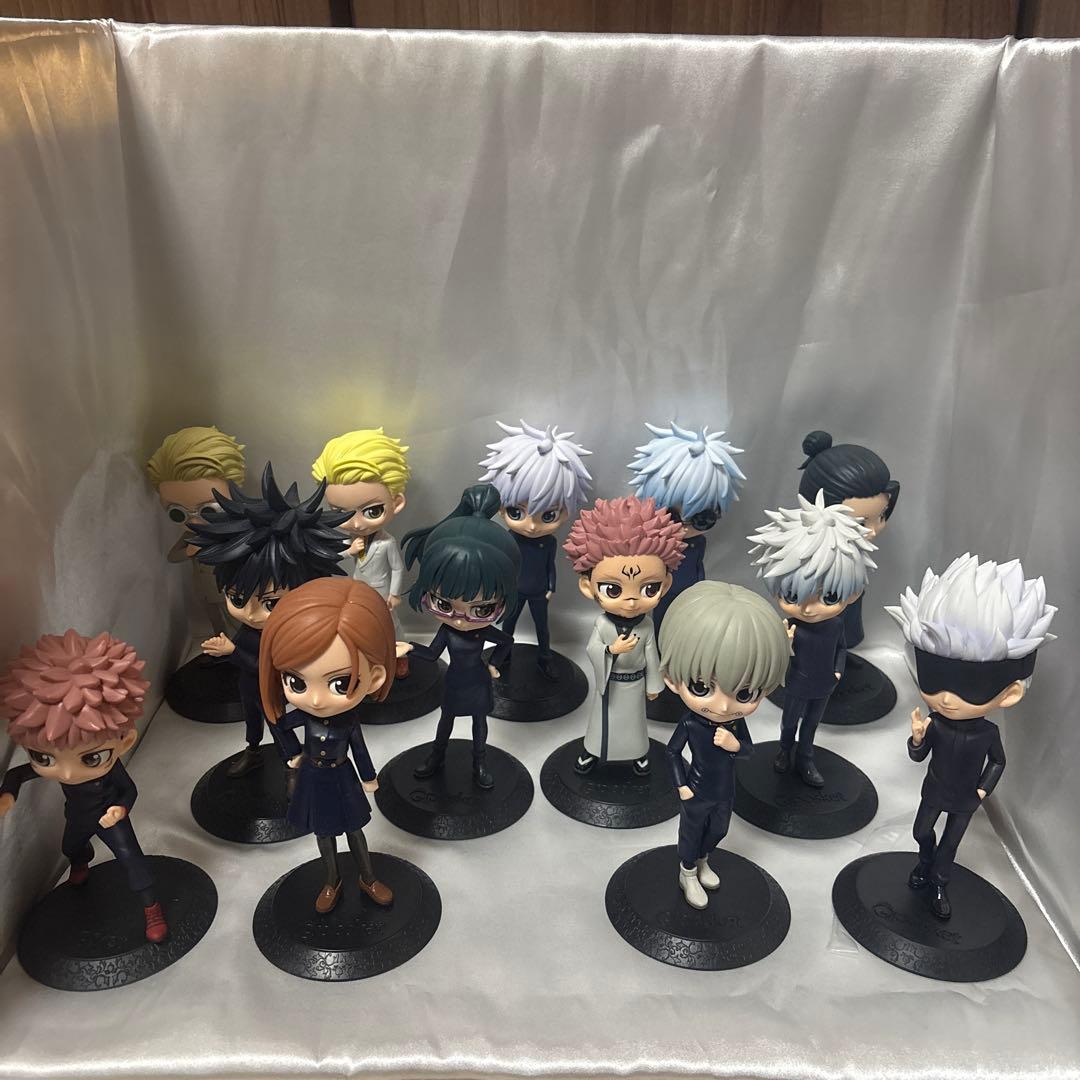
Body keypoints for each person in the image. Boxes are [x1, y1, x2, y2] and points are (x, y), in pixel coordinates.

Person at [885, 554, 1055, 919]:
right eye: (934, 678)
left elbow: (998, 762)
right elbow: (918, 756)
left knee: (951, 844)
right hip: (934, 790)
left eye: (969, 687)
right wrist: (918, 739)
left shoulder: (987, 732)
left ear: (1009, 693)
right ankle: (924, 861)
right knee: (922, 831)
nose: (947, 698)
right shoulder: (936, 723)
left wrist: (981, 790)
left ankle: (939, 883)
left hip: (965, 798)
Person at [0, 630, 167, 942]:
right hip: (77, 815)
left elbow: (129, 790)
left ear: (125, 742)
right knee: (70, 847)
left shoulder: (111, 767)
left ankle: (151, 908)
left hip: (108, 816)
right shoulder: (60, 765)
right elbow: (17, 775)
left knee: (131, 858)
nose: (66, 773)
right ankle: (80, 863)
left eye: (90, 758)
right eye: (44, 757)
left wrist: (120, 810)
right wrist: (8, 795)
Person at [259, 577, 398, 915]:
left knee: (354, 830)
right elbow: (278, 722)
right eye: (297, 682)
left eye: (339, 682)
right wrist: (292, 752)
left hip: (341, 777)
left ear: (375, 678)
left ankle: (367, 877)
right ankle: (331, 880)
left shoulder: (348, 721)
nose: (317, 700)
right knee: (323, 834)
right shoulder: (304, 717)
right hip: (313, 778)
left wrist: (369, 776)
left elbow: (359, 749)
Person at [660, 582, 790, 908]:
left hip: (725, 791)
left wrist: (734, 745)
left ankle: (703, 860)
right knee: (691, 832)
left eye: (744, 693)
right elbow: (672, 752)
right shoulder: (691, 724)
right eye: (702, 687)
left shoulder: (734, 724)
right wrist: (682, 786)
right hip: (696, 790)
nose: (722, 705)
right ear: (672, 679)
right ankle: (687, 871)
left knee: (718, 829)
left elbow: (748, 750)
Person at [748, 490, 877, 786]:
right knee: (789, 722)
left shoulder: (835, 625)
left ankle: (805, 757)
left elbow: (841, 649)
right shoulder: (790, 626)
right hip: (796, 682)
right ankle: (784, 751)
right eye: (793, 595)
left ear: (852, 593)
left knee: (811, 724)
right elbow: (776, 657)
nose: (807, 608)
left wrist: (837, 671)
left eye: (828, 596)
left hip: (824, 683)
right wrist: (785, 645)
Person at [398, 484, 520, 789]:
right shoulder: (447, 631)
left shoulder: (482, 632)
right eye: (444, 604)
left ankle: (480, 762)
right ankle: (436, 756)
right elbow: (430, 654)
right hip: (454, 682)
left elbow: (507, 641)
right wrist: (409, 648)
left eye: (481, 609)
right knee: (446, 721)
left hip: (478, 683)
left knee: (479, 724)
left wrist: (494, 665)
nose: (460, 619)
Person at [563, 495, 685, 775]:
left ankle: (638, 754)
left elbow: (652, 655)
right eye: (614, 590)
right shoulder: (603, 625)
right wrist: (610, 651)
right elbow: (592, 649)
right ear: (588, 587)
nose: (631, 601)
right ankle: (593, 751)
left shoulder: (646, 626)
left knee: (635, 724)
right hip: (611, 683)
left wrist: (654, 684)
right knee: (601, 722)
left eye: (649, 589)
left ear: (665, 585)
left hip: (634, 684)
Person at [478, 419, 592, 680]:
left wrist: (551, 587)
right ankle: (503, 655)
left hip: (540, 591)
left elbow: (551, 565)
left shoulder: (548, 542)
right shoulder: (508, 538)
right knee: (508, 625)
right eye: (516, 512)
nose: (531, 526)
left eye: (548, 515)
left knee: (542, 627)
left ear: (565, 512)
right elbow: (503, 565)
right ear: (500, 507)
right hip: (514, 591)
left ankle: (545, 657)